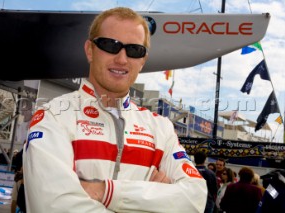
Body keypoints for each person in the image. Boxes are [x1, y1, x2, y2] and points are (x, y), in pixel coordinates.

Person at [23, 7, 207, 213]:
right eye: (110, 45)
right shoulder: (53, 116)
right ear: (90, 50)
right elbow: (53, 206)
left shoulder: (161, 128)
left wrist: (106, 191)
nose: (121, 59)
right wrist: (154, 199)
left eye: (134, 50)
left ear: (143, 60)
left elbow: (195, 198)